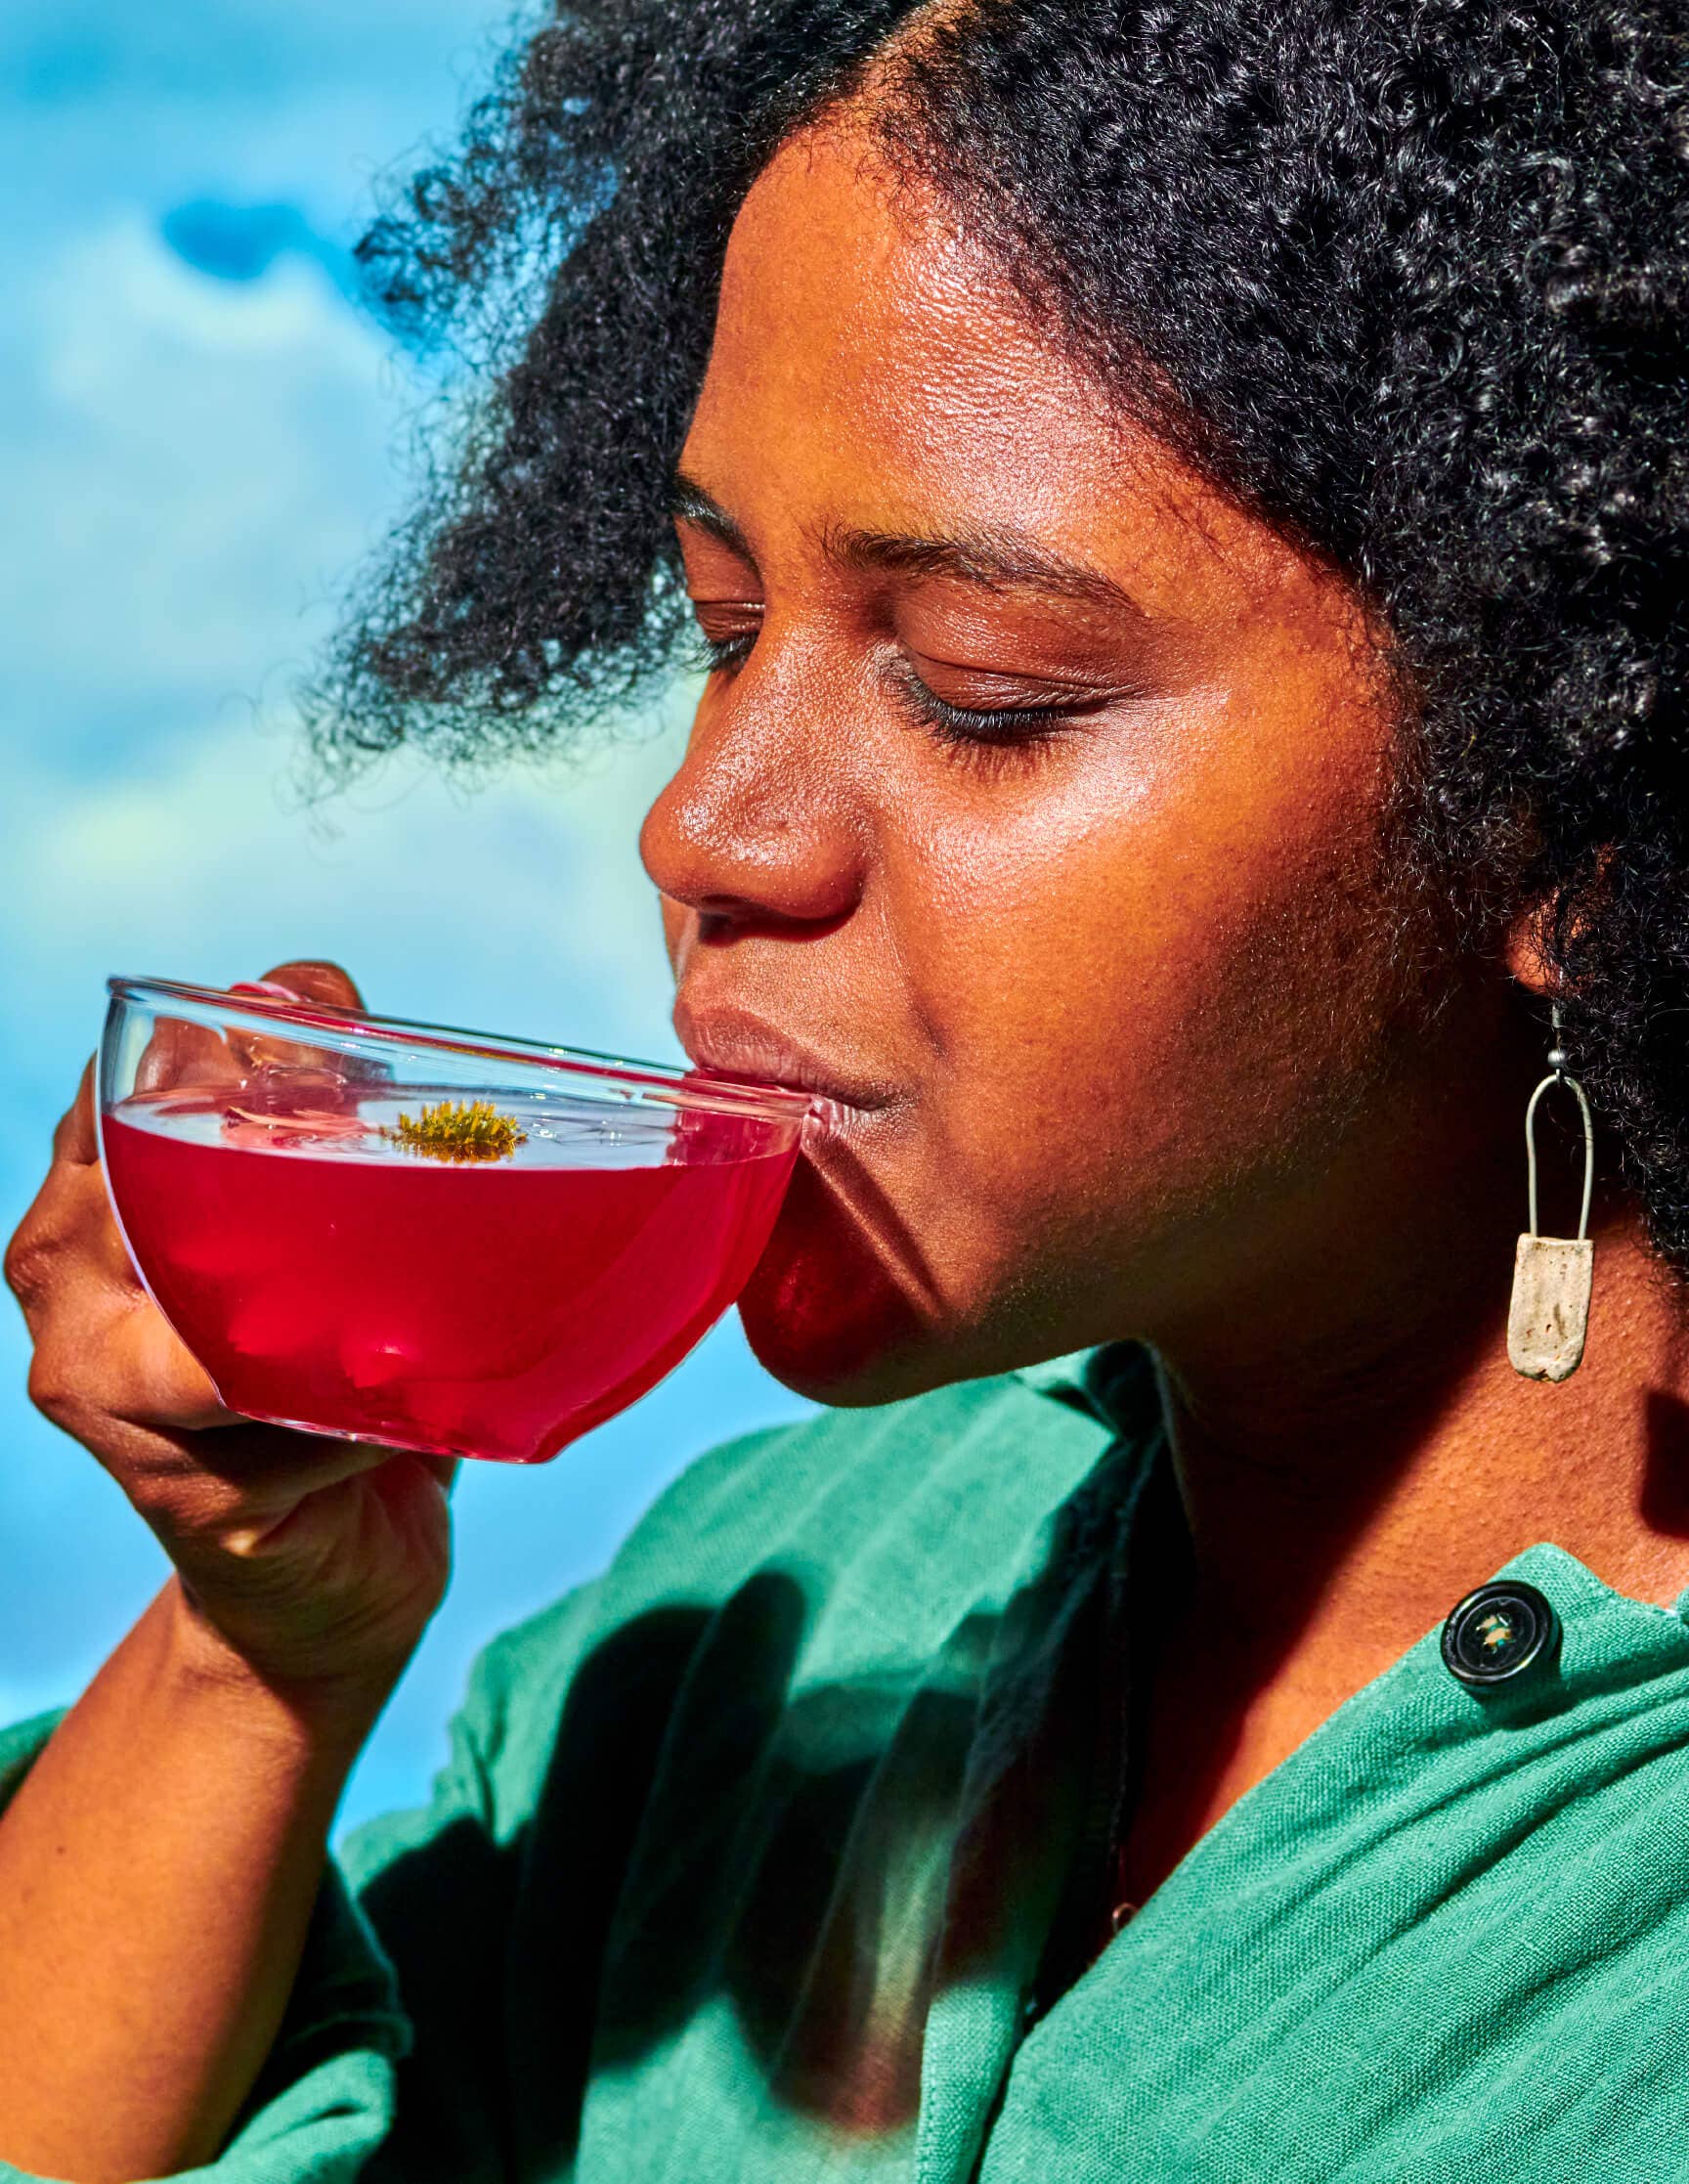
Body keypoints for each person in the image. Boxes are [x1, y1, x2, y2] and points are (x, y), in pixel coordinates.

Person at [3, 0, 1687, 2175]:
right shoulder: (764, 1610)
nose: (703, 827)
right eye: (725, 630)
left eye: (983, 688)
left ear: (1576, 816)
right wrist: (263, 1650)